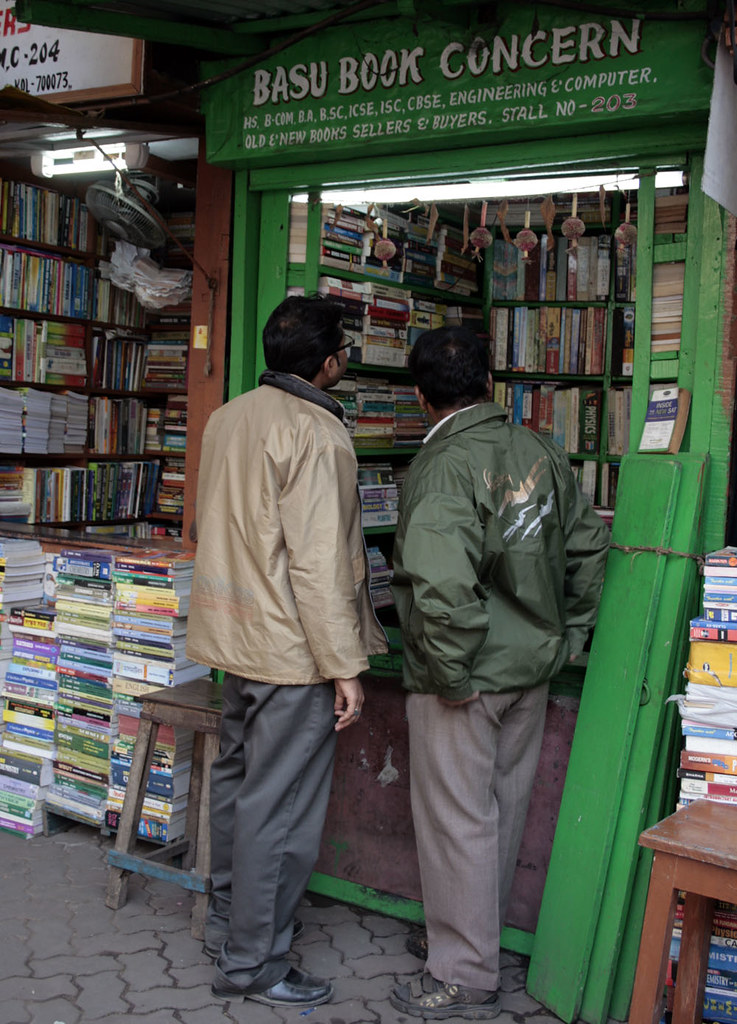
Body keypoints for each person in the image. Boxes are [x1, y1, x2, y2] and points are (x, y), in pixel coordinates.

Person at [390, 326, 610, 1020]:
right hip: (529, 666)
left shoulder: (442, 466)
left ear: (421, 396)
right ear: (490, 383)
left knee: (457, 819)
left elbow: (440, 582)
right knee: (501, 808)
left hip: (468, 671)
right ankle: (476, 938)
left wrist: (450, 672)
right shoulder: (539, 449)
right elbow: (588, 545)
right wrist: (567, 635)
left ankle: (461, 968)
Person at [186, 294, 387, 1008]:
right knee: (282, 809)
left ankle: (227, 926)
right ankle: (253, 963)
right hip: (289, 651)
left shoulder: (226, 417)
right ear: (330, 363)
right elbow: (319, 564)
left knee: (239, 789)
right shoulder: (319, 434)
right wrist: (344, 667)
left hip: (231, 637)